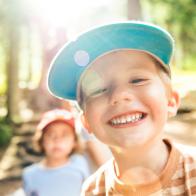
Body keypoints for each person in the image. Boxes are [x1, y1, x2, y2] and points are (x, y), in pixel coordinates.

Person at [47, 21, 196, 195]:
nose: (119, 94)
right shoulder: (92, 191)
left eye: (137, 80)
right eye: (98, 90)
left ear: (170, 101)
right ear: (86, 122)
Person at [22, 109, 90, 196]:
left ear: (74, 141)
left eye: (64, 135)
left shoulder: (80, 164)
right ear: (41, 140)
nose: (57, 140)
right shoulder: (29, 174)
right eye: (51, 134)